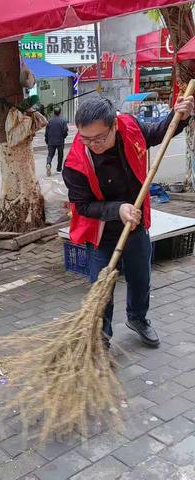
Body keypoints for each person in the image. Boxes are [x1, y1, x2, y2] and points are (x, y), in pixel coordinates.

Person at [63, 95, 194, 349]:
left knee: (140, 277)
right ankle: (101, 335)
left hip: (135, 226)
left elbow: (159, 133)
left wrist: (180, 116)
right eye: (85, 138)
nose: (92, 144)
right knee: (103, 287)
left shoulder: (130, 126)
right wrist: (118, 209)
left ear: (114, 126)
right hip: (101, 232)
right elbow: (83, 206)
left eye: (99, 138)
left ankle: (138, 319)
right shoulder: (75, 163)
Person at [45, 106, 69, 176]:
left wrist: (47, 140)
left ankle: (48, 163)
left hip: (51, 141)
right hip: (60, 141)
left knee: (50, 154)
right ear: (60, 112)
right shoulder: (63, 121)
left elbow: (46, 132)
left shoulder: (50, 121)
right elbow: (65, 130)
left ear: (54, 113)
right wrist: (64, 137)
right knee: (60, 155)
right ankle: (58, 169)